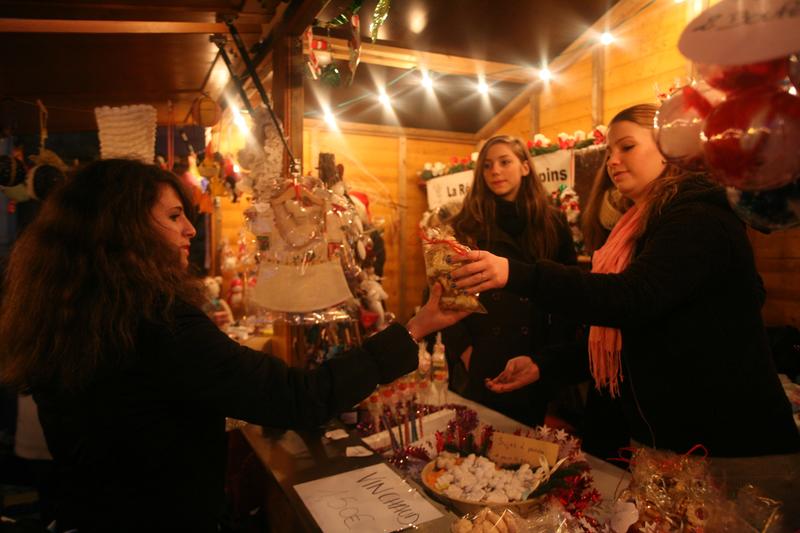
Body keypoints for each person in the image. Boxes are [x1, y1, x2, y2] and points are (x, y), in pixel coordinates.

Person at [0, 158, 465, 532]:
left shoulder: (66, 313)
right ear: (124, 227)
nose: (190, 231)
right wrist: (415, 329)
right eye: (174, 216)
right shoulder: (158, 320)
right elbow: (299, 398)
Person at [451, 104, 800, 458]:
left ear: (670, 148)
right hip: (670, 437)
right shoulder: (634, 227)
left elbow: (631, 299)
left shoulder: (698, 218)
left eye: (627, 147)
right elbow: (628, 338)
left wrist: (516, 273)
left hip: (727, 443)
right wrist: (546, 364)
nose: (612, 161)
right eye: (609, 152)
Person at [440, 135, 577, 426]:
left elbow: (570, 291)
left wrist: (552, 355)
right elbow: (445, 292)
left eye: (505, 162)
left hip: (534, 355)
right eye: (488, 165)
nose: (495, 171)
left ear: (525, 167)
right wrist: (465, 352)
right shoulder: (465, 225)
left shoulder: (553, 223)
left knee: (526, 449)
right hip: (483, 352)